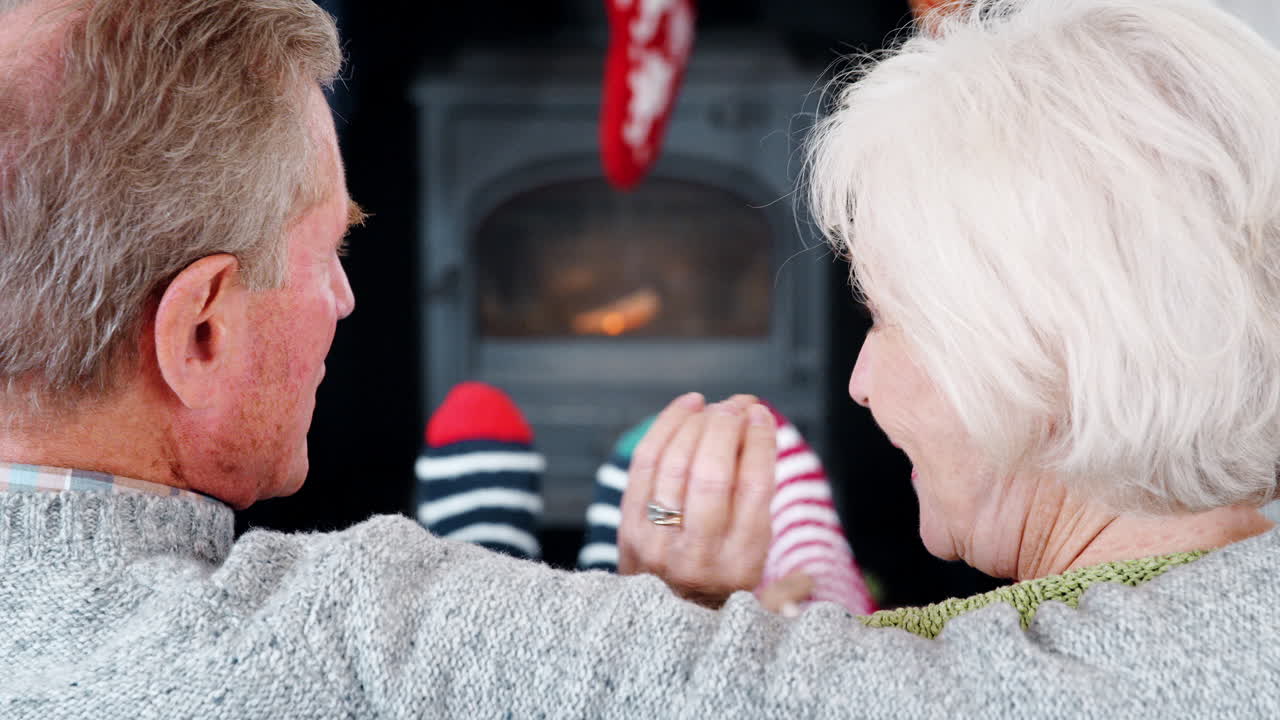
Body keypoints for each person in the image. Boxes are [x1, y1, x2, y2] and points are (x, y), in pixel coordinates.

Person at [0, 0, 1278, 717]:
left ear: (1048, 352)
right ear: (199, 331)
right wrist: (683, 618)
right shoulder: (368, 641)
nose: (855, 381)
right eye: (329, 251)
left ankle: (496, 540)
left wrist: (673, 616)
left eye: (885, 316)